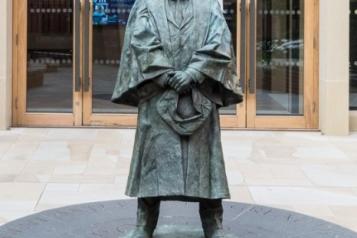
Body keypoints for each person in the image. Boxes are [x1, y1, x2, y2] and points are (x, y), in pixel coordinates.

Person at [111, 0, 243, 237]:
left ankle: (213, 223)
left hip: (199, 93)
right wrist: (164, 76)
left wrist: (193, 73)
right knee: (152, 161)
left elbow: (219, 42)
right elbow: (140, 41)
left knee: (207, 162)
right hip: (157, 94)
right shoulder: (146, 5)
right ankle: (144, 223)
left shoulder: (209, 5)